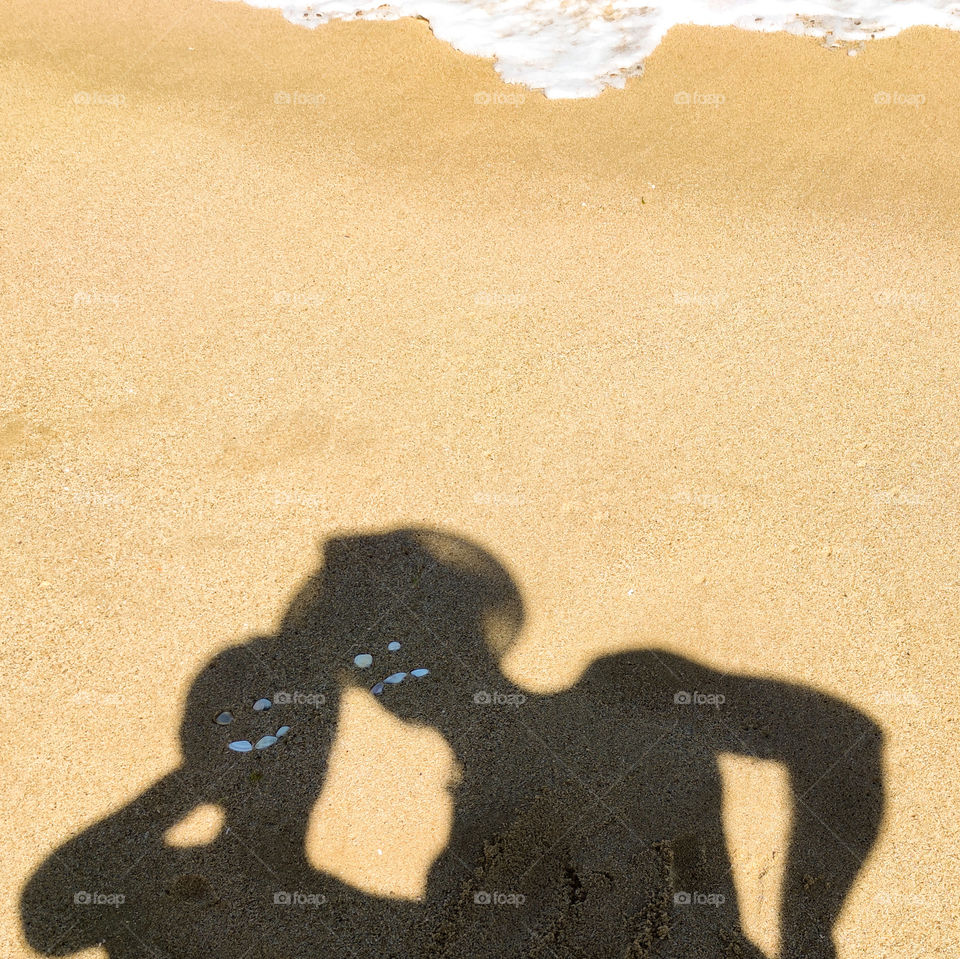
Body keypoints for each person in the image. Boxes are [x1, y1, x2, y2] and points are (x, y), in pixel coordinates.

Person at [22, 527, 884, 958]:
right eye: (360, 653)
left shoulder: (627, 686)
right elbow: (58, 912)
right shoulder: (456, 841)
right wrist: (208, 779)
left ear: (470, 627)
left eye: (407, 634)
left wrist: (809, 939)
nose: (388, 665)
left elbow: (838, 736)